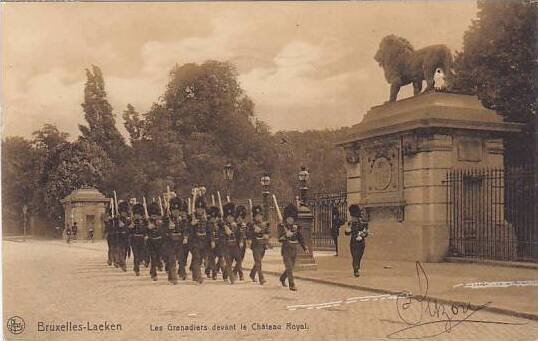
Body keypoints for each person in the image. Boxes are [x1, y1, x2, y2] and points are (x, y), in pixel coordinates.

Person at [278, 203, 308, 291]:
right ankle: (292, 285)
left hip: (294, 250)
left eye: (292, 218)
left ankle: (282, 278)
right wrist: (286, 235)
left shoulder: (296, 227)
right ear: (286, 218)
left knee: (291, 268)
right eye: (289, 218)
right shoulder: (281, 227)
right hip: (286, 250)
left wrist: (305, 247)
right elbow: (279, 239)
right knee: (289, 268)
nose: (291, 220)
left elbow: (300, 238)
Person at [162, 197, 189, 284]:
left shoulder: (183, 220)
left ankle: (181, 272)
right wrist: (168, 229)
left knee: (181, 259)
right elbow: (162, 231)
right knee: (172, 260)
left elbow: (186, 229)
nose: (176, 212)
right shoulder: (166, 219)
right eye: (174, 210)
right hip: (170, 242)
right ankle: (173, 277)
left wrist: (185, 237)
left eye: (177, 210)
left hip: (180, 242)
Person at [220, 202, 244, 284]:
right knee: (229, 262)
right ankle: (231, 278)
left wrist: (240, 241)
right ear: (226, 217)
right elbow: (220, 237)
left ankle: (226, 274)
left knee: (239, 260)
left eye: (232, 217)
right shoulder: (223, 226)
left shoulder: (236, 226)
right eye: (228, 217)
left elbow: (240, 235)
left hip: (234, 246)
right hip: (226, 246)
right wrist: (225, 233)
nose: (230, 218)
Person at [189, 197, 210, 284]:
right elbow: (187, 230)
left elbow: (209, 230)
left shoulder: (206, 218)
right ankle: (198, 277)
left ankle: (195, 275)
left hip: (204, 241)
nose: (200, 210)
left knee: (200, 259)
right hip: (194, 241)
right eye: (198, 208)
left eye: (202, 208)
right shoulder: (191, 217)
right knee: (197, 258)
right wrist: (191, 224)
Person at [248, 205, 271, 285]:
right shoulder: (251, 225)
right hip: (255, 245)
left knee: (258, 261)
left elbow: (268, 233)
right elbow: (248, 234)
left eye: (260, 215)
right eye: (257, 216)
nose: (259, 217)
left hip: (263, 245)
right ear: (254, 217)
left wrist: (267, 236)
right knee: (258, 262)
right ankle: (261, 278)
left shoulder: (264, 224)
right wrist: (254, 232)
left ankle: (252, 274)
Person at [345, 204, 369, 277]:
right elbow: (347, 233)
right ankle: (356, 269)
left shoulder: (363, 223)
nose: (352, 218)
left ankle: (356, 269)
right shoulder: (350, 223)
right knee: (354, 256)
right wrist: (348, 230)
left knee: (358, 257)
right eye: (352, 217)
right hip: (353, 242)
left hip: (361, 242)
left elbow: (366, 232)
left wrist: (362, 235)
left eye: (353, 217)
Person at [146, 202, 164, 281]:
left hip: (160, 242)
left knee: (158, 257)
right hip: (151, 242)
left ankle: (155, 267)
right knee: (153, 258)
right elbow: (144, 230)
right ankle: (154, 273)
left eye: (155, 214)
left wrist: (159, 225)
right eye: (152, 214)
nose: (154, 216)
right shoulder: (147, 220)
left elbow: (164, 230)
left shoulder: (161, 220)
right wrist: (147, 228)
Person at [130, 203, 148, 276]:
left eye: (139, 214)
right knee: (136, 255)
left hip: (142, 239)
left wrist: (146, 235)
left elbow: (147, 230)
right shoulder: (131, 221)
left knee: (141, 255)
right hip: (134, 239)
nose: (137, 216)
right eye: (136, 214)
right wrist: (130, 227)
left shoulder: (145, 221)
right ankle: (136, 268)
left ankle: (139, 263)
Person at [207, 206, 223, 280]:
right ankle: (214, 273)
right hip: (210, 243)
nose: (213, 219)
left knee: (220, 257)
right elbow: (209, 234)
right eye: (212, 217)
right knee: (212, 258)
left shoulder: (219, 223)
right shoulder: (208, 224)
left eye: (215, 217)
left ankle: (208, 269)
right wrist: (212, 241)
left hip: (219, 243)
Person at [115, 201, 132, 272]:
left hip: (126, 237)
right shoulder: (116, 219)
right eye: (123, 212)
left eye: (125, 212)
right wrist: (118, 225)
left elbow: (130, 228)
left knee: (125, 251)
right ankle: (123, 264)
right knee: (120, 251)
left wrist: (130, 226)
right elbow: (114, 228)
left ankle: (122, 262)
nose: (124, 213)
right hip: (119, 237)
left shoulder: (128, 220)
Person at [233, 205, 248, 281]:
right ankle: (237, 273)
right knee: (238, 259)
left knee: (240, 259)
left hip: (243, 244)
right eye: (238, 217)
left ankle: (239, 273)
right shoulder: (234, 225)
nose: (239, 219)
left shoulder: (244, 225)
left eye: (241, 218)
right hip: (235, 243)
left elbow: (246, 234)